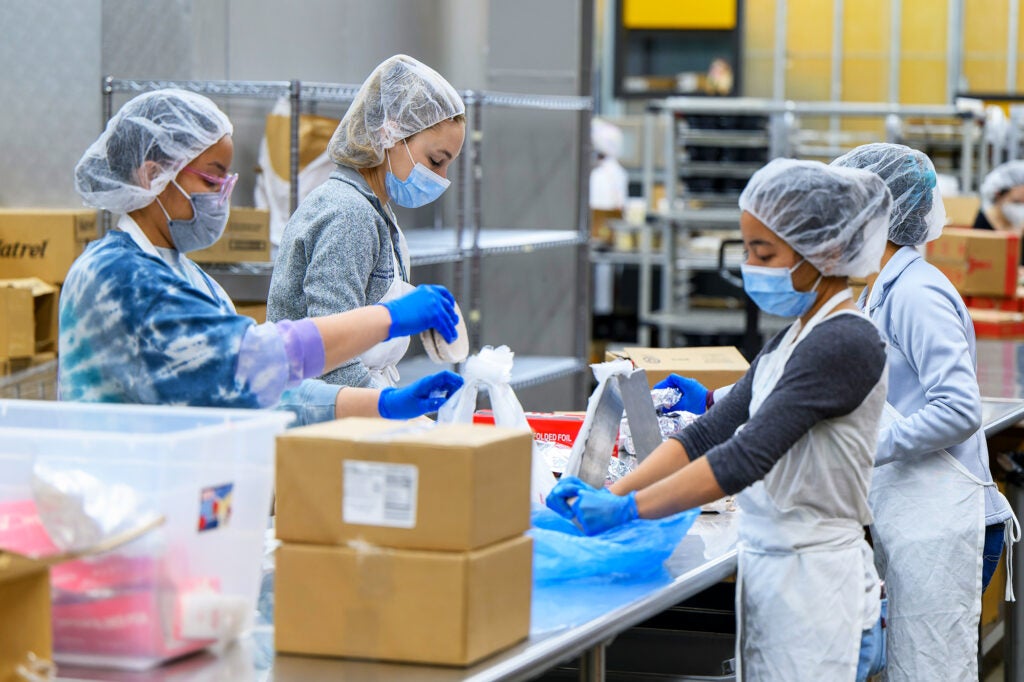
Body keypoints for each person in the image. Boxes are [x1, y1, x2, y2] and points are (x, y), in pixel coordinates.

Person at [549, 158, 893, 680]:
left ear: (821, 250)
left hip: (821, 589)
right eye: (749, 248)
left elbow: (745, 455)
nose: (752, 265)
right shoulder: (793, 337)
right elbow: (709, 431)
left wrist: (629, 510)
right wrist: (611, 497)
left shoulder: (846, 340)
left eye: (765, 251)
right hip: (779, 577)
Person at [62, 88, 464, 425]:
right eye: (212, 176)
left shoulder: (190, 278)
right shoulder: (117, 277)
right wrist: (388, 318)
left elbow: (260, 391)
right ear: (152, 176)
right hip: (121, 499)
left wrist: (381, 405)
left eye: (227, 177)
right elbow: (252, 362)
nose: (224, 192)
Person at [832, 143, 1018, 681]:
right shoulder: (880, 291)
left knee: (931, 670)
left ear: (876, 214)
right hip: (914, 518)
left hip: (944, 524)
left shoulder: (917, 292)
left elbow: (959, 410)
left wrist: (861, 448)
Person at [268, 54, 466, 389]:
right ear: (390, 134)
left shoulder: (374, 209)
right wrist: (385, 411)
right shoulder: (348, 214)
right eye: (435, 161)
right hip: (329, 416)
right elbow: (331, 355)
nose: (442, 179)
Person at [976, 159, 1024, 265]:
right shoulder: (984, 223)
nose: (1020, 208)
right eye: (1016, 202)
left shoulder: (1019, 226)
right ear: (998, 196)